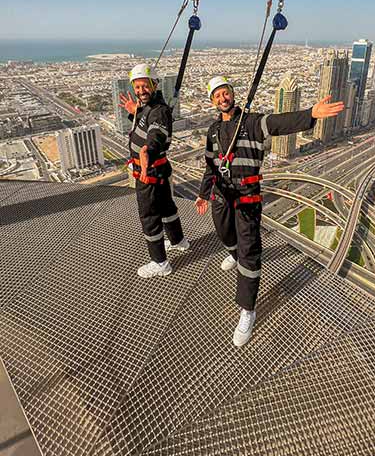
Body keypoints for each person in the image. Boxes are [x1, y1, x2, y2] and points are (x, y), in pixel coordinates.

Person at [195, 76, 344, 347]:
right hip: (222, 194)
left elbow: (278, 123)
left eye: (225, 92)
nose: (222, 98)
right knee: (224, 232)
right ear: (212, 102)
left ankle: (247, 309)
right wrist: (204, 192)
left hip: (247, 196)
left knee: (249, 251)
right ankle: (233, 254)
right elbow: (210, 165)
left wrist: (310, 114)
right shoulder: (213, 131)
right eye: (216, 96)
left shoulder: (251, 122)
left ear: (233, 94)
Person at [119, 63, 189, 279]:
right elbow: (145, 124)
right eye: (137, 87)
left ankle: (160, 263)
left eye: (145, 86)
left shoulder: (158, 111)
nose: (141, 91)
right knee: (167, 207)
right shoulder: (148, 108)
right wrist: (134, 112)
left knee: (149, 216)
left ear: (155, 84)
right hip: (158, 171)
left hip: (148, 172)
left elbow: (156, 134)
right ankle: (178, 241)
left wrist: (148, 150)